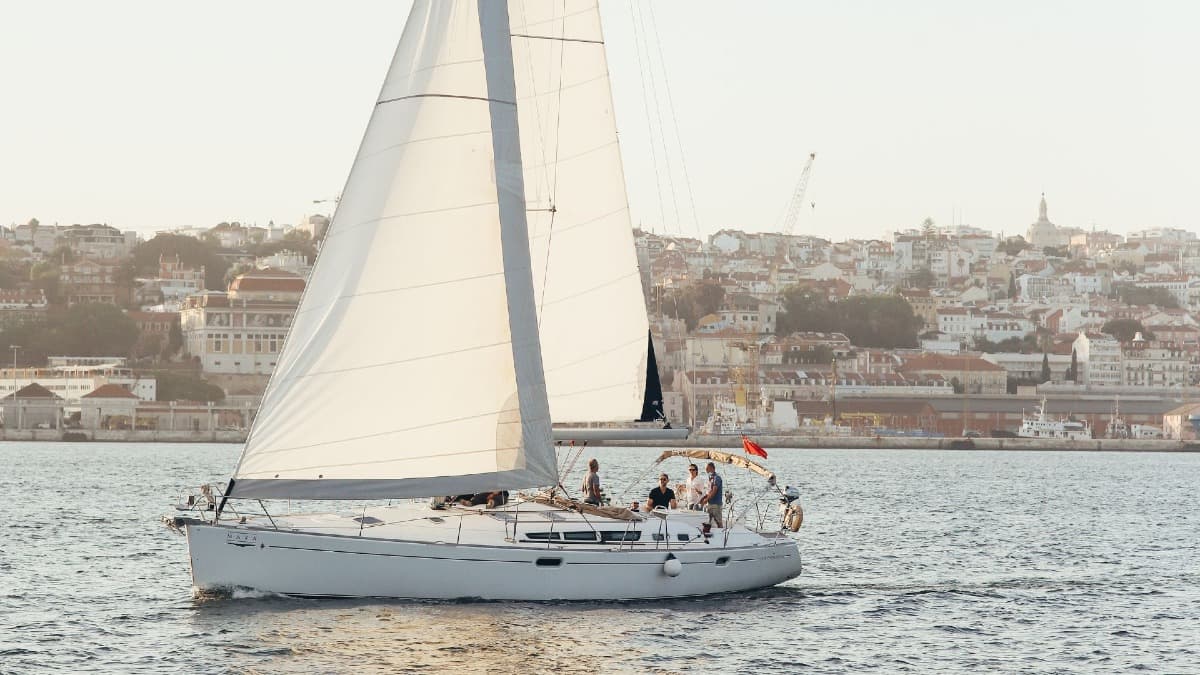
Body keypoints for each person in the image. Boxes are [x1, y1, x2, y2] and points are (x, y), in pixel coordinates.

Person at [698, 462, 724, 527]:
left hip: (716, 504)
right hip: (710, 503)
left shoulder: (716, 478)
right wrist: (704, 498)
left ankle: (722, 533)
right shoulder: (710, 478)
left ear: (712, 468)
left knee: (718, 521)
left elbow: (714, 491)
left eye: (707, 469)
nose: (706, 470)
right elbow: (709, 490)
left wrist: (706, 499)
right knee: (710, 520)